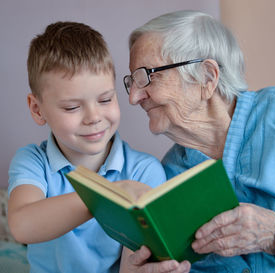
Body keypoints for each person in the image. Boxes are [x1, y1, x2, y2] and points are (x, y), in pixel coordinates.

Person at [123, 10, 275, 273]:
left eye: (148, 76)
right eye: (132, 82)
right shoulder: (169, 176)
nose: (134, 97)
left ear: (206, 78)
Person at [7, 21, 168, 273]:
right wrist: (109, 196)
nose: (94, 117)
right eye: (72, 107)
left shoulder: (143, 171)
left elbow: (132, 265)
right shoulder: (32, 161)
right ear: (38, 110)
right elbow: (21, 226)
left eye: (105, 99)